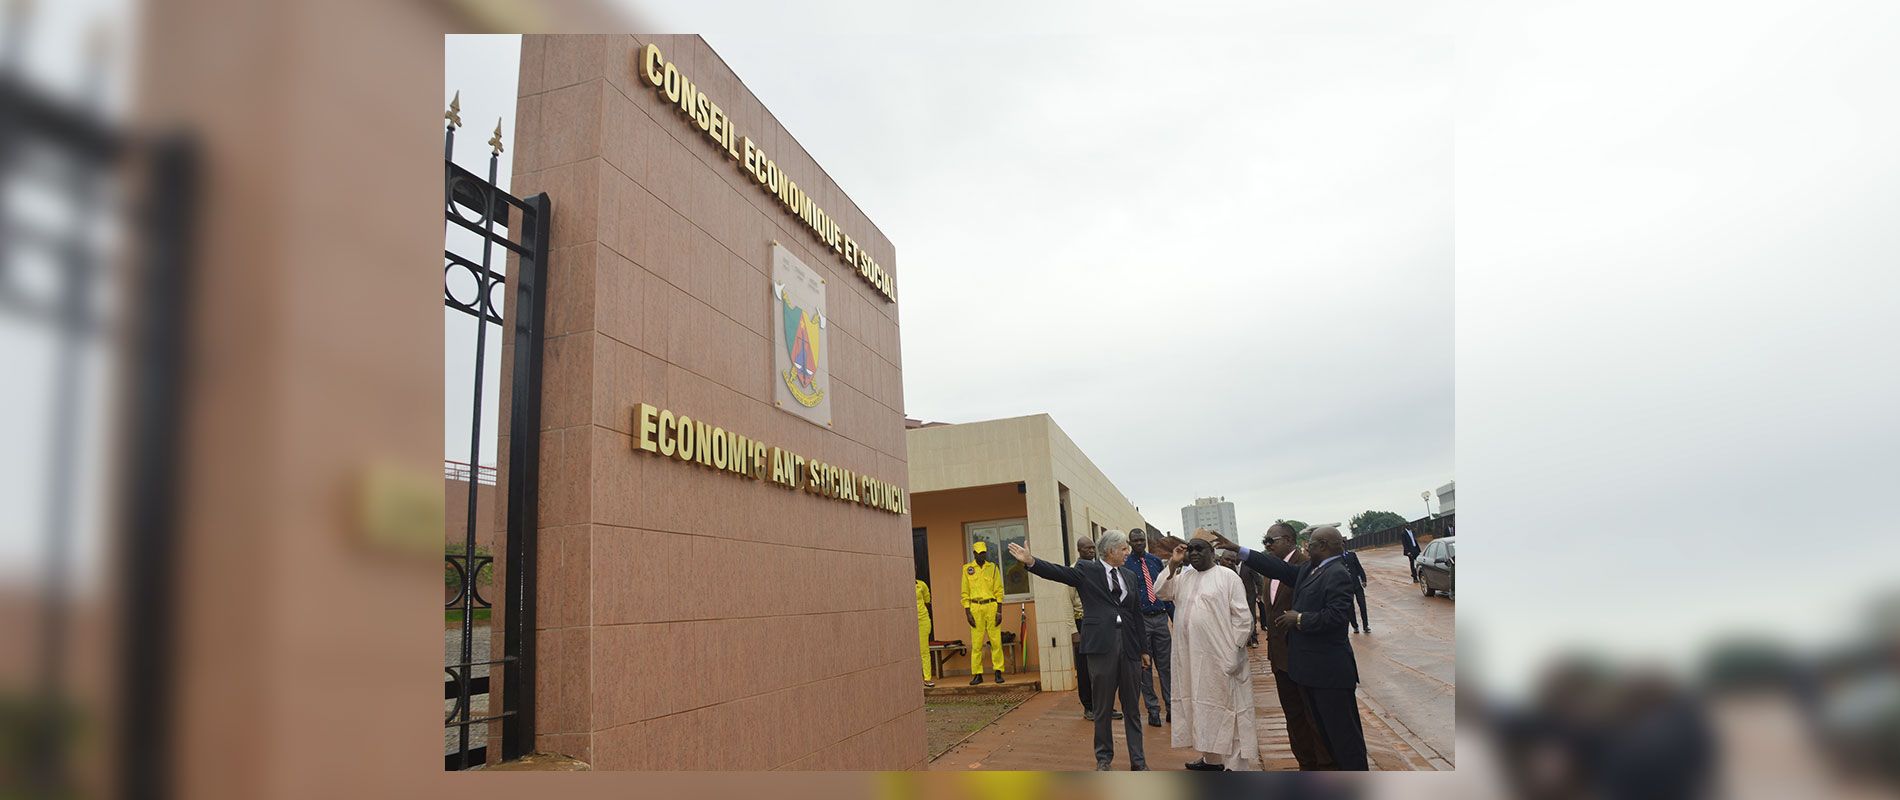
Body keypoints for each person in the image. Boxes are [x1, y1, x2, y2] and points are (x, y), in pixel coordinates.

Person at [1208, 526, 1370, 770]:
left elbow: (1337, 617)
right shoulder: (1311, 569)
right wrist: (1239, 550)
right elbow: (1279, 569)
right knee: (1325, 734)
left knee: (1344, 738)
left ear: (1324, 545)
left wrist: (1300, 619)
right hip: (1310, 671)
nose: (1306, 547)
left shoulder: (1336, 572)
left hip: (1330, 674)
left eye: (1311, 544)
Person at [1007, 532, 1152, 770]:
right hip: (1101, 647)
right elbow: (1059, 573)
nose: (1128, 553)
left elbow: (1136, 614)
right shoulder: (1087, 570)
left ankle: (1139, 762)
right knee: (1103, 708)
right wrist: (1031, 561)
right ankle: (1104, 761)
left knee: (1133, 709)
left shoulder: (1130, 576)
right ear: (1111, 551)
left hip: (1130, 647)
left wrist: (1144, 649)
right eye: (1124, 549)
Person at [1152, 532, 1260, 771]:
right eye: (1190, 549)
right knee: (1201, 708)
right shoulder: (1184, 577)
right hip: (1191, 657)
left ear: (1213, 553)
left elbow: (1243, 619)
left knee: (1229, 711)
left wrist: (1233, 653)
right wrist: (1173, 562)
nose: (1194, 553)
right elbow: (1159, 591)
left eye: (1200, 549)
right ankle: (1212, 760)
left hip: (1222, 657)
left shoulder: (1227, 577)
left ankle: (1235, 766)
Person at [1259, 524, 1332, 769]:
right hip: (1279, 659)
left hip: (1304, 658)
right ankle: (1306, 763)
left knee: (1314, 717)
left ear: (1289, 539)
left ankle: (1325, 767)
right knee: (1293, 717)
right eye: (1264, 541)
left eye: (1271, 540)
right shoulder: (1269, 572)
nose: (1267, 545)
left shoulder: (1306, 565)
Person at [1125, 527, 1173, 727]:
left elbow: (1165, 589)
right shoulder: (1126, 565)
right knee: (1145, 668)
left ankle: (1172, 707)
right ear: (1129, 543)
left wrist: (1175, 618)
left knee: (1166, 667)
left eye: (1141, 540)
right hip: (1141, 621)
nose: (1139, 543)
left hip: (1161, 618)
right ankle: (1153, 710)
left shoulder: (1155, 561)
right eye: (1135, 541)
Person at [960, 541, 1006, 685]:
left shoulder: (993, 568)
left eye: (984, 553)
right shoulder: (967, 569)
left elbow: (999, 590)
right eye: (979, 553)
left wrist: (999, 611)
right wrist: (967, 613)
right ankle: (977, 674)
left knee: (995, 641)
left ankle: (998, 671)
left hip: (991, 606)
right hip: (975, 607)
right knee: (976, 643)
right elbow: (965, 592)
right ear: (974, 553)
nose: (982, 555)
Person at [1226, 552, 1263, 648]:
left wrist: (1259, 593)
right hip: (1236, 597)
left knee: (1251, 616)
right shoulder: (1230, 568)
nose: (1233, 559)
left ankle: (1254, 639)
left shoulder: (1248, 566)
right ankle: (1243, 639)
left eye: (1235, 556)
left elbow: (1258, 580)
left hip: (1249, 595)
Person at [1342, 549, 1371, 635]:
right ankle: (1355, 626)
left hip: (1357, 584)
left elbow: (1359, 567)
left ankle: (1365, 626)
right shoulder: (1337, 558)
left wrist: (1364, 579)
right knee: (1350, 608)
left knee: (1362, 604)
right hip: (1346, 587)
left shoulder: (1352, 555)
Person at [916, 577, 935, 688]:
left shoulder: (921, 585)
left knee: (924, 650)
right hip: (907, 621)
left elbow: (927, 601)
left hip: (922, 620)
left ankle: (927, 678)